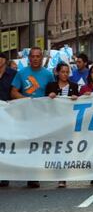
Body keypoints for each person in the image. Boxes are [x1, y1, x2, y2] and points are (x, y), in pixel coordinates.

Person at [11, 47, 54, 188]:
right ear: (29, 58)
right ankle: (27, 172)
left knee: (38, 144)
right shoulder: (21, 74)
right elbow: (13, 92)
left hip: (42, 116)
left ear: (42, 58)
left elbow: (53, 92)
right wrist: (26, 100)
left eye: (38, 56)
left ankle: (34, 175)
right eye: (33, 56)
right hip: (25, 116)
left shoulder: (48, 75)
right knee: (27, 144)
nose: (35, 59)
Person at [45, 62, 79, 188]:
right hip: (55, 123)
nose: (65, 74)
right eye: (62, 72)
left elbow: (80, 103)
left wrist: (77, 98)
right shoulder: (51, 86)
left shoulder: (74, 86)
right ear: (57, 72)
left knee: (66, 149)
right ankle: (59, 174)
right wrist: (49, 97)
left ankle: (64, 176)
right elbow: (44, 103)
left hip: (69, 123)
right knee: (57, 149)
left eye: (67, 72)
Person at [0, 52, 17, 188]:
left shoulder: (13, 74)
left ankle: (6, 174)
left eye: (1, 59)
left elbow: (16, 90)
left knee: (7, 143)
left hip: (10, 112)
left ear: (5, 61)